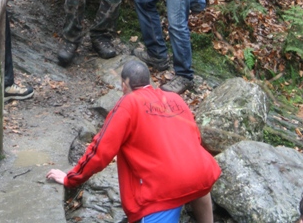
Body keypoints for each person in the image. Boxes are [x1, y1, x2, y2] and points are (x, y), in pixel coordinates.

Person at [46, 59, 221, 223]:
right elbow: (195, 137)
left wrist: (71, 178)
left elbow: (100, 151)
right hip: (200, 175)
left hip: (162, 192)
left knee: (166, 197)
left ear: (124, 85)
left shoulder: (128, 104)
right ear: (149, 82)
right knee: (198, 185)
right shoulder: (175, 98)